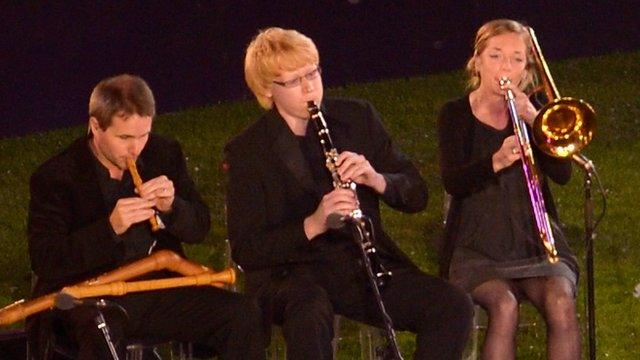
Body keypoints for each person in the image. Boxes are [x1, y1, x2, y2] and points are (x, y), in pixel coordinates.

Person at [225, 27, 473, 360]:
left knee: (451, 305)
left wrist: (376, 179)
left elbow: (417, 195)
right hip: (293, 274)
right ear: (268, 91)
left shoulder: (357, 118)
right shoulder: (248, 151)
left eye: (313, 72)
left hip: (359, 265)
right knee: (310, 311)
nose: (310, 86)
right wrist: (314, 223)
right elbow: (247, 250)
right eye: (294, 80)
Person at [27, 74, 265, 359]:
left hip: (156, 286)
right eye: (125, 137)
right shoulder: (57, 176)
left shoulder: (163, 153)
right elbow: (46, 259)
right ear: (95, 126)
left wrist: (171, 207)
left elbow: (200, 227)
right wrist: (110, 228)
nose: (135, 148)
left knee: (242, 313)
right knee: (101, 328)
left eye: (144, 135)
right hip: (87, 296)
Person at [437, 19, 581, 359]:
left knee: (561, 301)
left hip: (534, 243)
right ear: (477, 61)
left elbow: (563, 174)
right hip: (478, 248)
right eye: (496, 56)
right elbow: (452, 182)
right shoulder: (455, 114)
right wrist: (495, 161)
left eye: (517, 59)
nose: (507, 67)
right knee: (503, 307)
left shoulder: (536, 114)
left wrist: (533, 118)